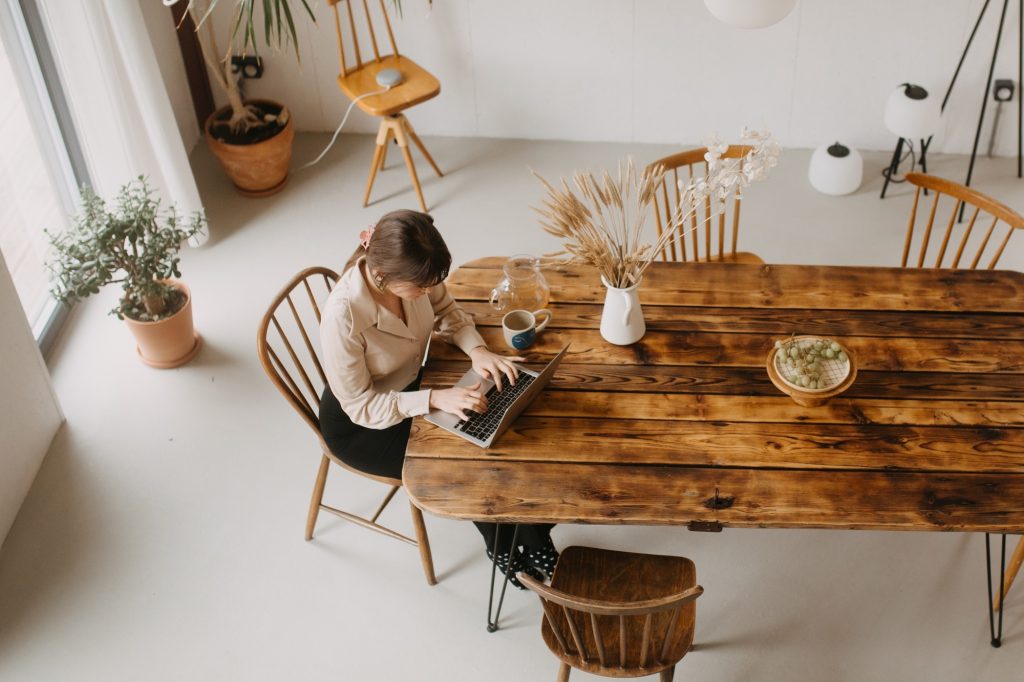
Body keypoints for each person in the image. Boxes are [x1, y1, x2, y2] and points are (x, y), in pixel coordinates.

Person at [318, 209, 558, 587]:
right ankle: (514, 551)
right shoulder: (342, 317)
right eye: (419, 288)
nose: (427, 293)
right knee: (467, 462)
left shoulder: (417, 276)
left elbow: (448, 311)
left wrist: (477, 350)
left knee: (496, 431)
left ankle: (532, 536)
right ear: (383, 276)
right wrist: (433, 399)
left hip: (411, 386)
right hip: (362, 425)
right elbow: (360, 406)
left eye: (430, 284)